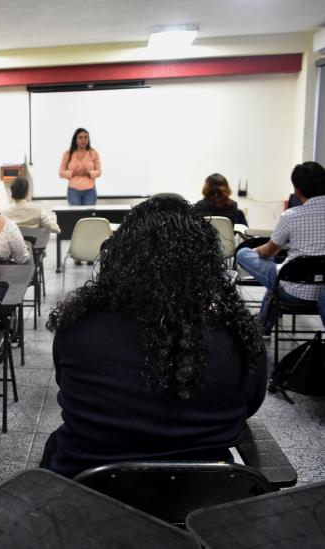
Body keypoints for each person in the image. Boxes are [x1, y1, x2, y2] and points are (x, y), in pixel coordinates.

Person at [41, 197, 267, 479]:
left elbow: (67, 384)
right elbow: (250, 407)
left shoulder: (77, 326)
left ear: (119, 256)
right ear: (207, 262)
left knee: (54, 444)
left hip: (90, 492)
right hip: (201, 494)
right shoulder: (239, 336)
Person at [236, 162, 325, 331]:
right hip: (322, 293)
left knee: (244, 254)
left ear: (297, 190)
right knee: (279, 278)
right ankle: (263, 324)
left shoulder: (291, 216)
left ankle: (262, 326)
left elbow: (268, 253)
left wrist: (255, 251)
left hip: (295, 292)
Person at [59, 128, 102, 206]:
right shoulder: (68, 154)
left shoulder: (93, 153)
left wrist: (88, 173)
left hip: (90, 191)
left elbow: (99, 172)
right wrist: (73, 173)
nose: (83, 140)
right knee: (76, 216)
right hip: (73, 191)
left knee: (88, 216)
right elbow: (61, 173)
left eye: (86, 137)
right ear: (75, 139)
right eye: (80, 137)